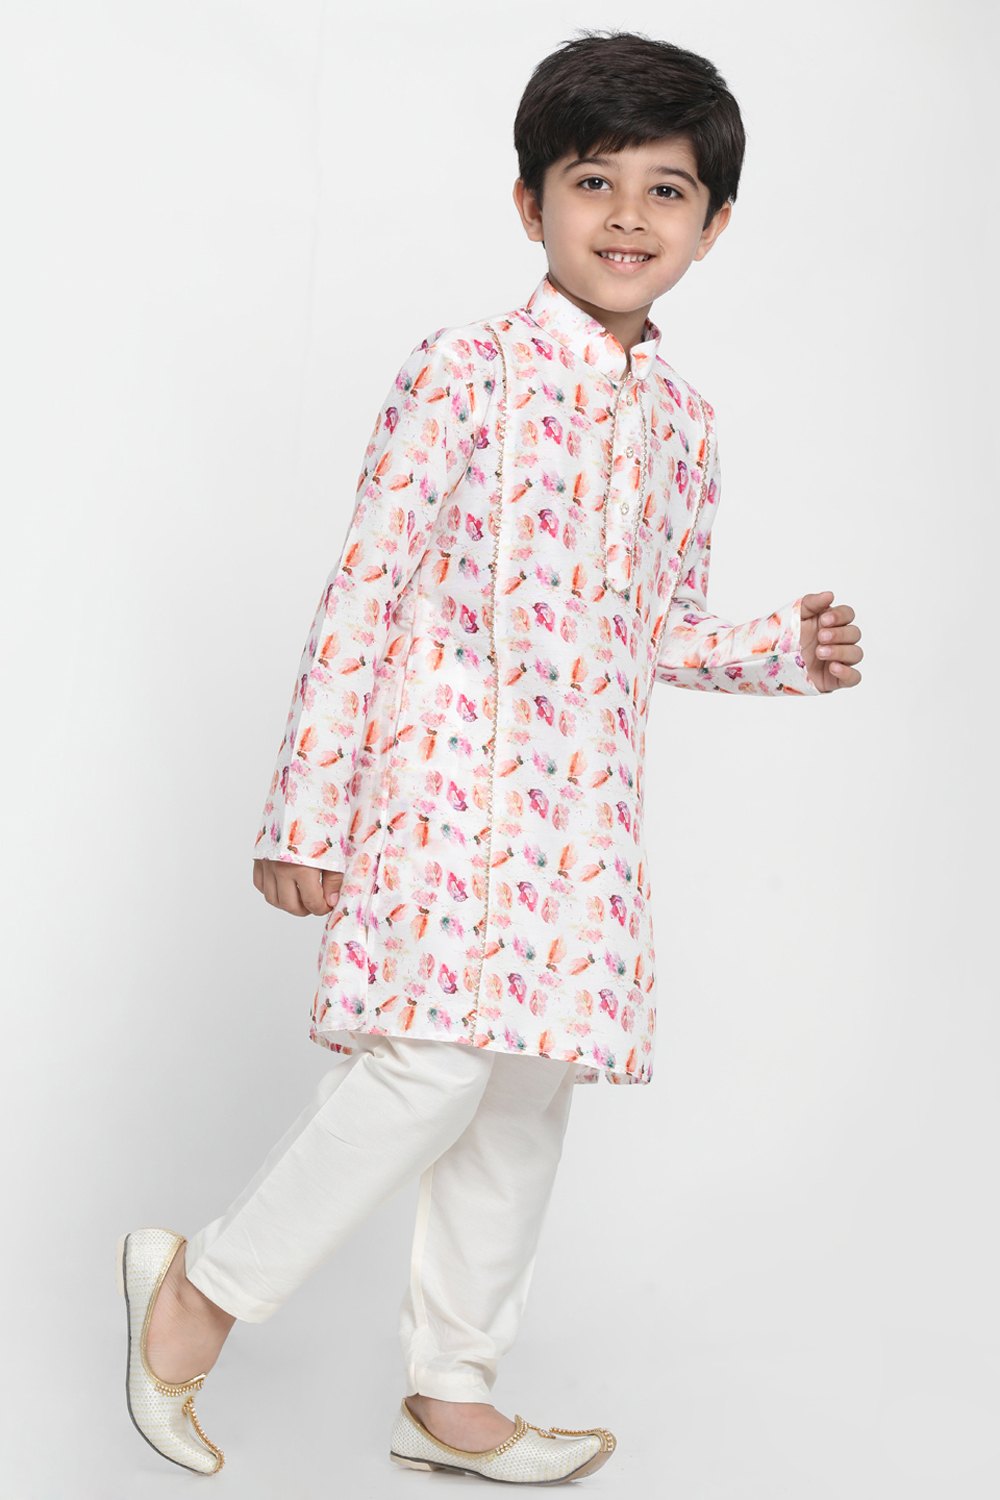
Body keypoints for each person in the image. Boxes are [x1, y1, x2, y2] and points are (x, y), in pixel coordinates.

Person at [116, 27, 863, 1483]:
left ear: (714, 226)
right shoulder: (465, 372)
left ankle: (451, 1393)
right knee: (430, 1069)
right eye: (594, 182)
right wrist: (309, 809)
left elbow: (656, 626)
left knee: (523, 1097)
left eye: (667, 191)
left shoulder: (688, 425)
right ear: (532, 203)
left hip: (582, 823)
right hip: (441, 793)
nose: (629, 218)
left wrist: (784, 648)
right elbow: (366, 587)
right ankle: (198, 1292)